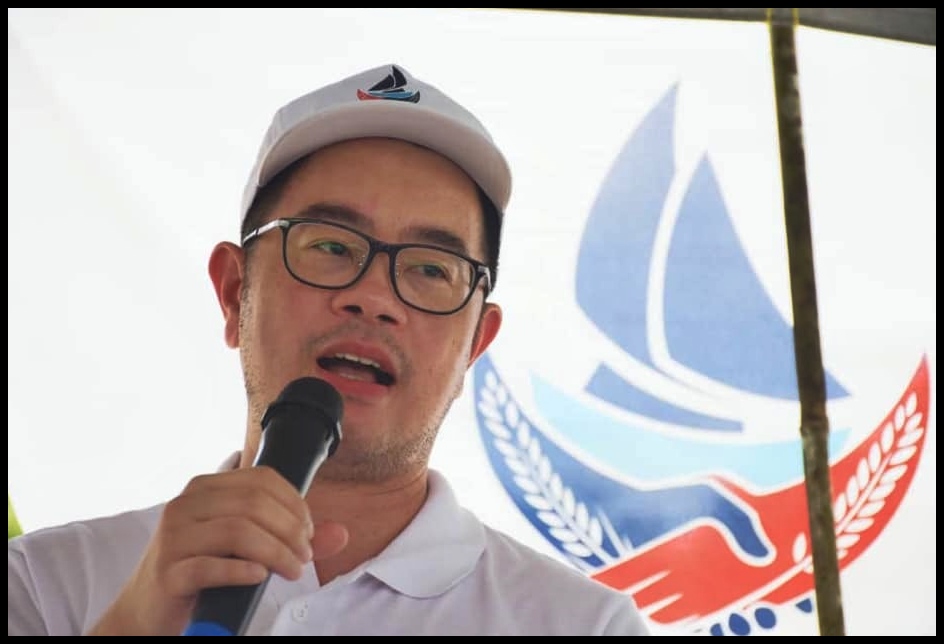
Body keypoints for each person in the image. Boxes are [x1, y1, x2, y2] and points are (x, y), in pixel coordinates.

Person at [7, 63, 651, 636]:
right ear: (234, 294)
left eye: (431, 269)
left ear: (475, 345)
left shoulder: (583, 625)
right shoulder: (44, 583)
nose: (374, 298)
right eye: (331, 247)